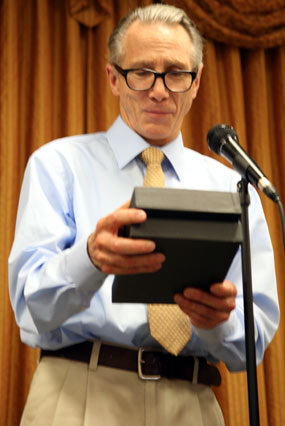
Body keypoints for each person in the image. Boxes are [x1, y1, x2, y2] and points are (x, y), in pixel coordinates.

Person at [9, 4, 279, 426]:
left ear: (197, 81)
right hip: (80, 394)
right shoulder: (58, 164)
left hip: (193, 402)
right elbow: (30, 310)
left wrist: (218, 323)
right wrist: (90, 259)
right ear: (113, 78)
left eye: (176, 73)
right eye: (141, 72)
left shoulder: (234, 187)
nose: (159, 91)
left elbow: (254, 342)